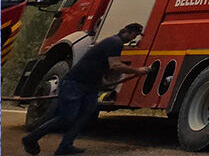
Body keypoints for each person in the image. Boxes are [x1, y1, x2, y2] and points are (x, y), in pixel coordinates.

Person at [23, 23, 149, 155]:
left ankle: (65, 146)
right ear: (126, 31)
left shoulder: (112, 42)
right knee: (67, 117)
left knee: (85, 115)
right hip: (75, 83)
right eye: (134, 34)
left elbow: (99, 65)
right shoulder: (115, 42)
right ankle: (31, 138)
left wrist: (101, 81)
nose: (134, 38)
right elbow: (115, 65)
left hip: (90, 85)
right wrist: (137, 71)